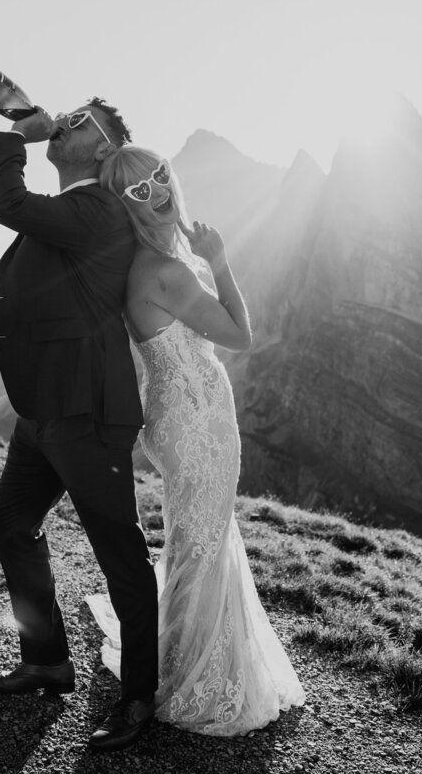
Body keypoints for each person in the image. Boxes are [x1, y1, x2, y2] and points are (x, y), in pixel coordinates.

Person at [85, 145, 306, 736]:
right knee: (205, 542)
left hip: (171, 415)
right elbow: (240, 336)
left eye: (158, 175)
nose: (156, 190)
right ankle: (194, 674)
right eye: (138, 189)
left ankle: (176, 652)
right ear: (124, 203)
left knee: (196, 536)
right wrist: (222, 261)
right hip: (199, 419)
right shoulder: (168, 270)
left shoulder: (137, 262)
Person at [0, 101, 158, 753]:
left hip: (86, 413)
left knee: (121, 556)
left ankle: (139, 696)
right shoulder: (72, 215)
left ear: (105, 152)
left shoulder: (98, 210)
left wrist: (12, 137)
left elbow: (8, 204)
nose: (68, 122)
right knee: (10, 524)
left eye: (83, 120)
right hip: (44, 410)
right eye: (71, 114)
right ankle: (48, 660)